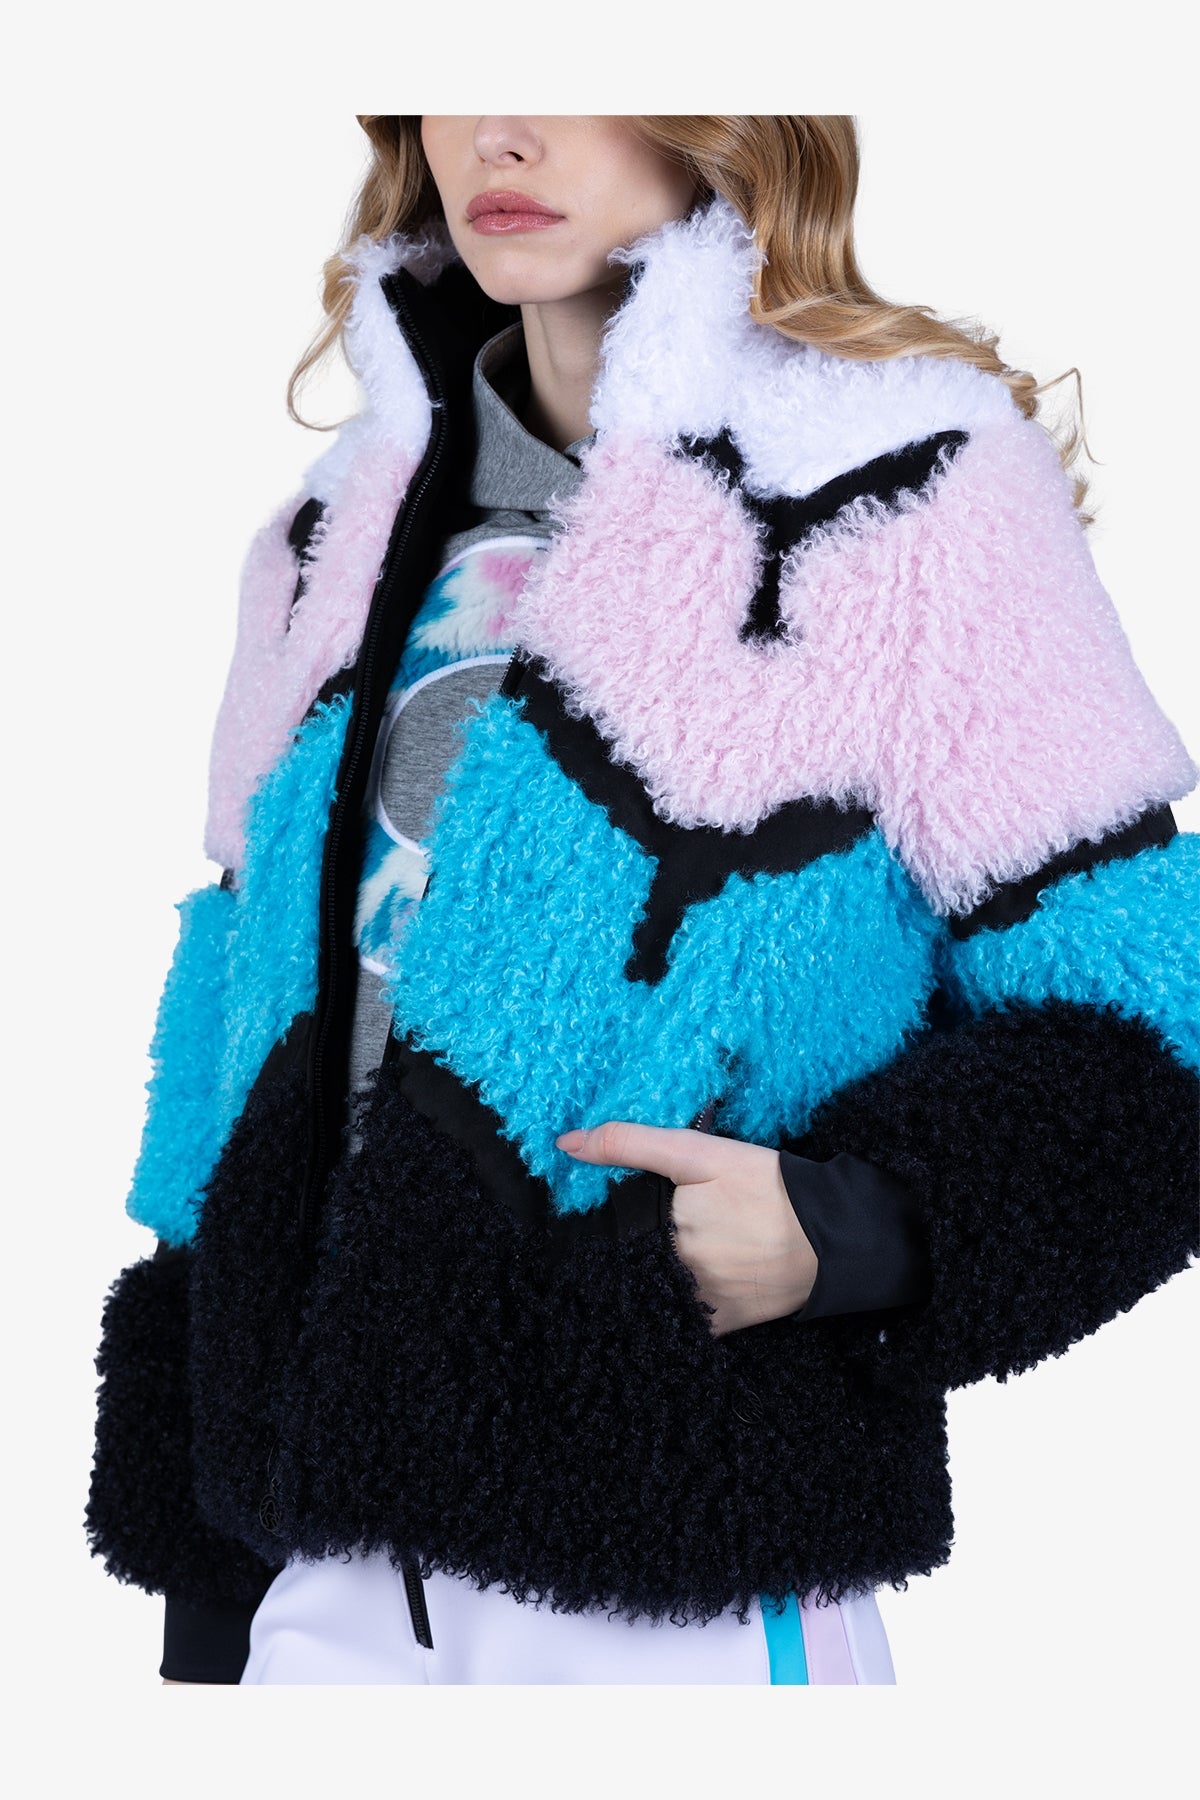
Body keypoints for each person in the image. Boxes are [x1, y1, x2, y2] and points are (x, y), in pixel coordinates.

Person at [86, 114, 1199, 1686]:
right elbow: (226, 1040)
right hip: (317, 1589)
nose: (503, 127)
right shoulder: (327, 542)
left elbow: (1154, 1019)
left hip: (687, 1574)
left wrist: (851, 1231)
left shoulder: (897, 490)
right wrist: (205, 1586)